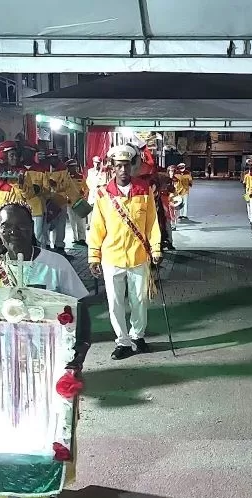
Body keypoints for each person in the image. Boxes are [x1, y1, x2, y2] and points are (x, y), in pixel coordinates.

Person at [0, 202, 90, 498]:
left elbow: (82, 310)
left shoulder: (55, 264)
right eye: (7, 227)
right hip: (3, 365)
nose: (14, 233)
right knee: (6, 428)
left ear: (32, 227)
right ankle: (0, 487)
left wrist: (76, 359)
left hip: (45, 364)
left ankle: (44, 493)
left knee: (45, 430)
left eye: (22, 226)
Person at [88, 145, 163, 360]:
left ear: (132, 166)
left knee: (139, 300)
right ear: (112, 167)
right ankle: (122, 341)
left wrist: (156, 248)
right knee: (115, 302)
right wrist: (94, 255)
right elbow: (97, 227)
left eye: (126, 165)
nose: (123, 170)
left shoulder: (144, 190)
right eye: (118, 166)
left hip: (139, 255)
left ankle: (138, 336)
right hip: (111, 257)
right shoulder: (103, 193)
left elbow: (152, 223)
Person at [65, 159, 90, 248]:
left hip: (79, 202)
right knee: (72, 221)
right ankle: (75, 238)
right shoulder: (66, 178)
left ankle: (82, 239)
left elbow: (86, 188)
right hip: (69, 203)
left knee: (81, 221)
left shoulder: (80, 177)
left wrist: (84, 194)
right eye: (70, 167)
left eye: (73, 167)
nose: (72, 169)